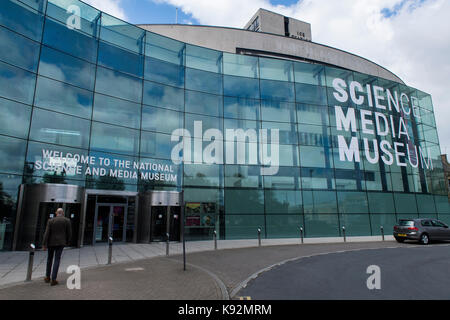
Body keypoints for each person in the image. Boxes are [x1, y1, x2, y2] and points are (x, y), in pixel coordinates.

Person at [42, 208, 72, 286]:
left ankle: (47, 277)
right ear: (63, 213)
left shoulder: (51, 221)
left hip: (51, 243)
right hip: (61, 243)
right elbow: (69, 233)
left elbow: (46, 233)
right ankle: (54, 279)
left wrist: (44, 244)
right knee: (57, 260)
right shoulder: (67, 221)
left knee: (49, 259)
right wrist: (68, 242)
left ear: (56, 213)